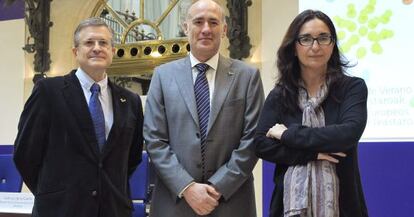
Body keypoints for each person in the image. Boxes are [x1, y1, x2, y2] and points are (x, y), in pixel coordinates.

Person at [143, 0, 264, 216]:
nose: (206, 29)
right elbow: (154, 139)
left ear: (224, 30)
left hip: (230, 201)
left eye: (213, 22)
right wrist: (187, 188)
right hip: (176, 202)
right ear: (186, 27)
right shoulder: (163, 76)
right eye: (198, 22)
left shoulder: (248, 77)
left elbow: (253, 138)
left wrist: (218, 187)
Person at [13, 17, 144, 217]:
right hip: (60, 209)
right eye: (89, 42)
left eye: (103, 43)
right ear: (76, 51)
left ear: (113, 51)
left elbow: (131, 158)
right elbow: (25, 153)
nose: (97, 48)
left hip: (113, 209)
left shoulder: (130, 101)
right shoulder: (49, 92)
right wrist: (50, 193)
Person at [255, 10, 369, 217]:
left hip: (343, 207)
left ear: (332, 44)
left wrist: (288, 135)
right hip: (287, 207)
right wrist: (311, 154)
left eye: (323, 38)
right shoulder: (280, 95)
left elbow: (348, 134)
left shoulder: (352, 88)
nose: (315, 46)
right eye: (306, 39)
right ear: (294, 47)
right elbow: (261, 145)